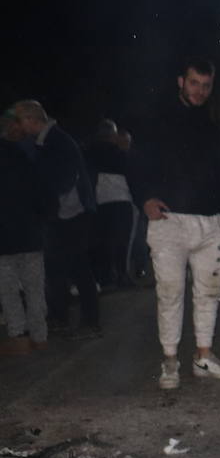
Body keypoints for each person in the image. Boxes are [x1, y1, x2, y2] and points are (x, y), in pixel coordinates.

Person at [128, 58, 220, 389]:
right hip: (169, 221)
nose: (200, 91)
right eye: (194, 83)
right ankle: (170, 360)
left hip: (210, 224)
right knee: (170, 292)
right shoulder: (155, 121)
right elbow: (135, 165)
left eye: (206, 85)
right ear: (180, 81)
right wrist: (144, 198)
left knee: (209, 293)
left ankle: (204, 355)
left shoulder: (211, 127)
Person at [13, 99, 100, 339]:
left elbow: (63, 180)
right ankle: (61, 318)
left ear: (31, 120)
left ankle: (90, 322)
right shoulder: (47, 141)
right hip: (64, 214)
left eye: (21, 121)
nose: (19, 127)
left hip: (71, 214)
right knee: (58, 269)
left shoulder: (56, 141)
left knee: (77, 267)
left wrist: (45, 203)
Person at [0, 110, 51, 355]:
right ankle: (39, 336)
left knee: (9, 289)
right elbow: (42, 194)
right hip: (30, 233)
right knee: (33, 287)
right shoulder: (31, 154)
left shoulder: (25, 153)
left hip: (6, 236)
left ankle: (19, 336)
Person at [85, 119, 137, 288]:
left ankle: (106, 277)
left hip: (100, 202)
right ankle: (122, 275)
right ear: (113, 135)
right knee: (122, 241)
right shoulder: (119, 153)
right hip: (121, 200)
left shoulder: (89, 152)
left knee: (104, 241)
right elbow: (132, 176)